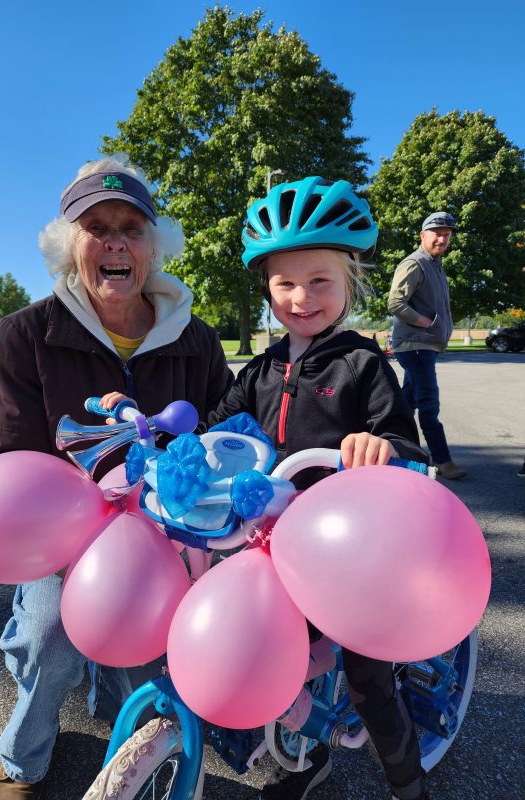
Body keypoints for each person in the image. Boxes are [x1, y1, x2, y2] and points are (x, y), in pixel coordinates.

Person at [0, 154, 233, 799]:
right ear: (73, 249)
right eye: (97, 227)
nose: (116, 240)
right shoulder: (27, 333)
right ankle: (22, 763)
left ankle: (134, 751)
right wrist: (66, 552)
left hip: (164, 531)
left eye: (132, 227)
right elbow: (10, 455)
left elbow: (230, 433)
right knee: (50, 636)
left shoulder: (197, 340)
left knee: (147, 646)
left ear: (152, 248)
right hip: (60, 533)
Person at [209, 176, 430, 800]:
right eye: (285, 283)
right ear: (267, 289)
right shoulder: (257, 369)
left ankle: (408, 782)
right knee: (259, 646)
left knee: (366, 677)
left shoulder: (363, 365)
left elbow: (408, 446)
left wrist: (380, 447)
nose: (302, 297)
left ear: (350, 282)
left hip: (349, 548)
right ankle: (303, 760)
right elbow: (214, 432)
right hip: (270, 540)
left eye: (320, 281)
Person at [388, 212, 467, 480]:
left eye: (447, 235)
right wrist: (424, 322)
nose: (442, 238)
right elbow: (395, 302)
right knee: (429, 405)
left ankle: (390, 452)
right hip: (415, 345)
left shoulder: (435, 265)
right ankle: (443, 461)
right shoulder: (415, 263)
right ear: (423, 235)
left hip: (424, 346)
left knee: (406, 404)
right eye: (437, 233)